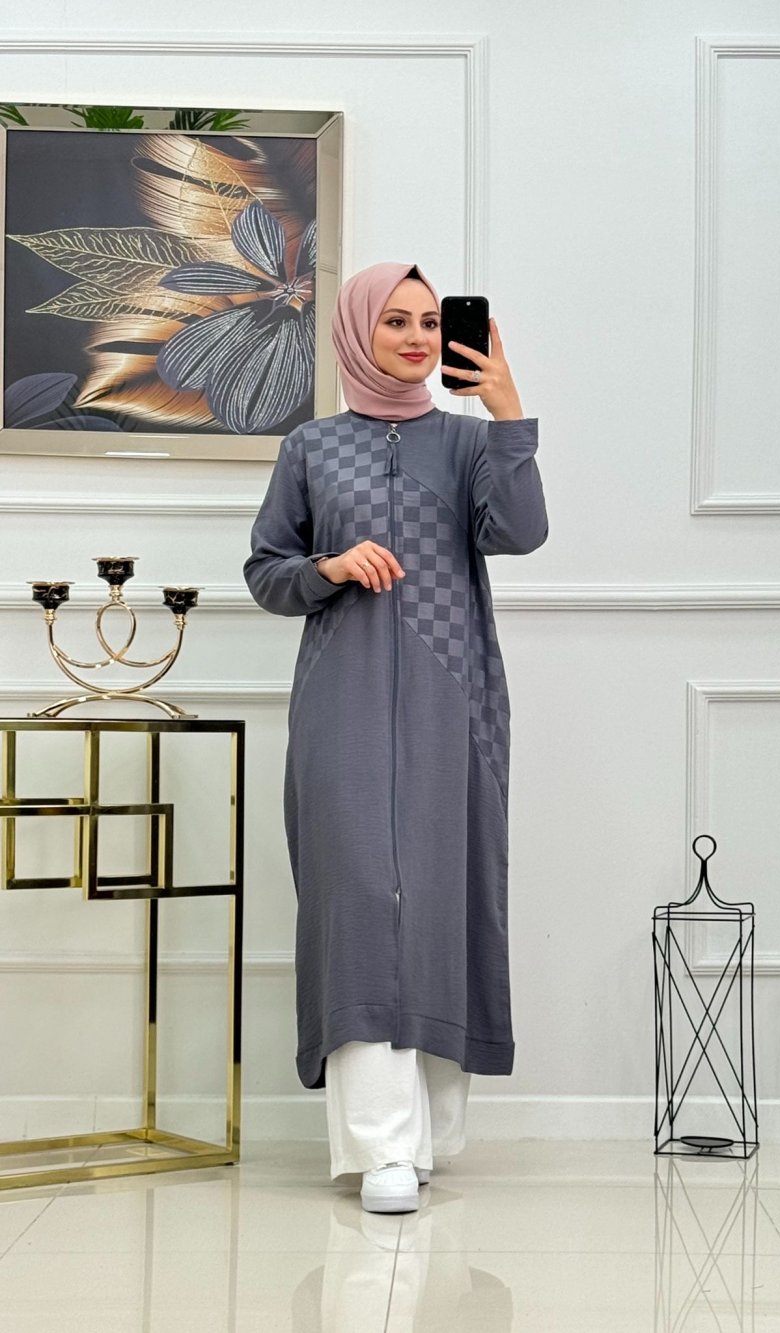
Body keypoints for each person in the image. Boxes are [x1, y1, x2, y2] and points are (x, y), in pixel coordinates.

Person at [244, 261, 548, 1213]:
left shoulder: (467, 443)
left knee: (439, 895)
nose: (416, 338)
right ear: (356, 333)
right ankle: (379, 1142)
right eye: (395, 322)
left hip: (454, 698)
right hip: (340, 700)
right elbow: (267, 571)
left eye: (428, 322)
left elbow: (520, 534)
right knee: (360, 899)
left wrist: (508, 411)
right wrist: (329, 567)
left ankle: (426, 1135)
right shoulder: (311, 447)